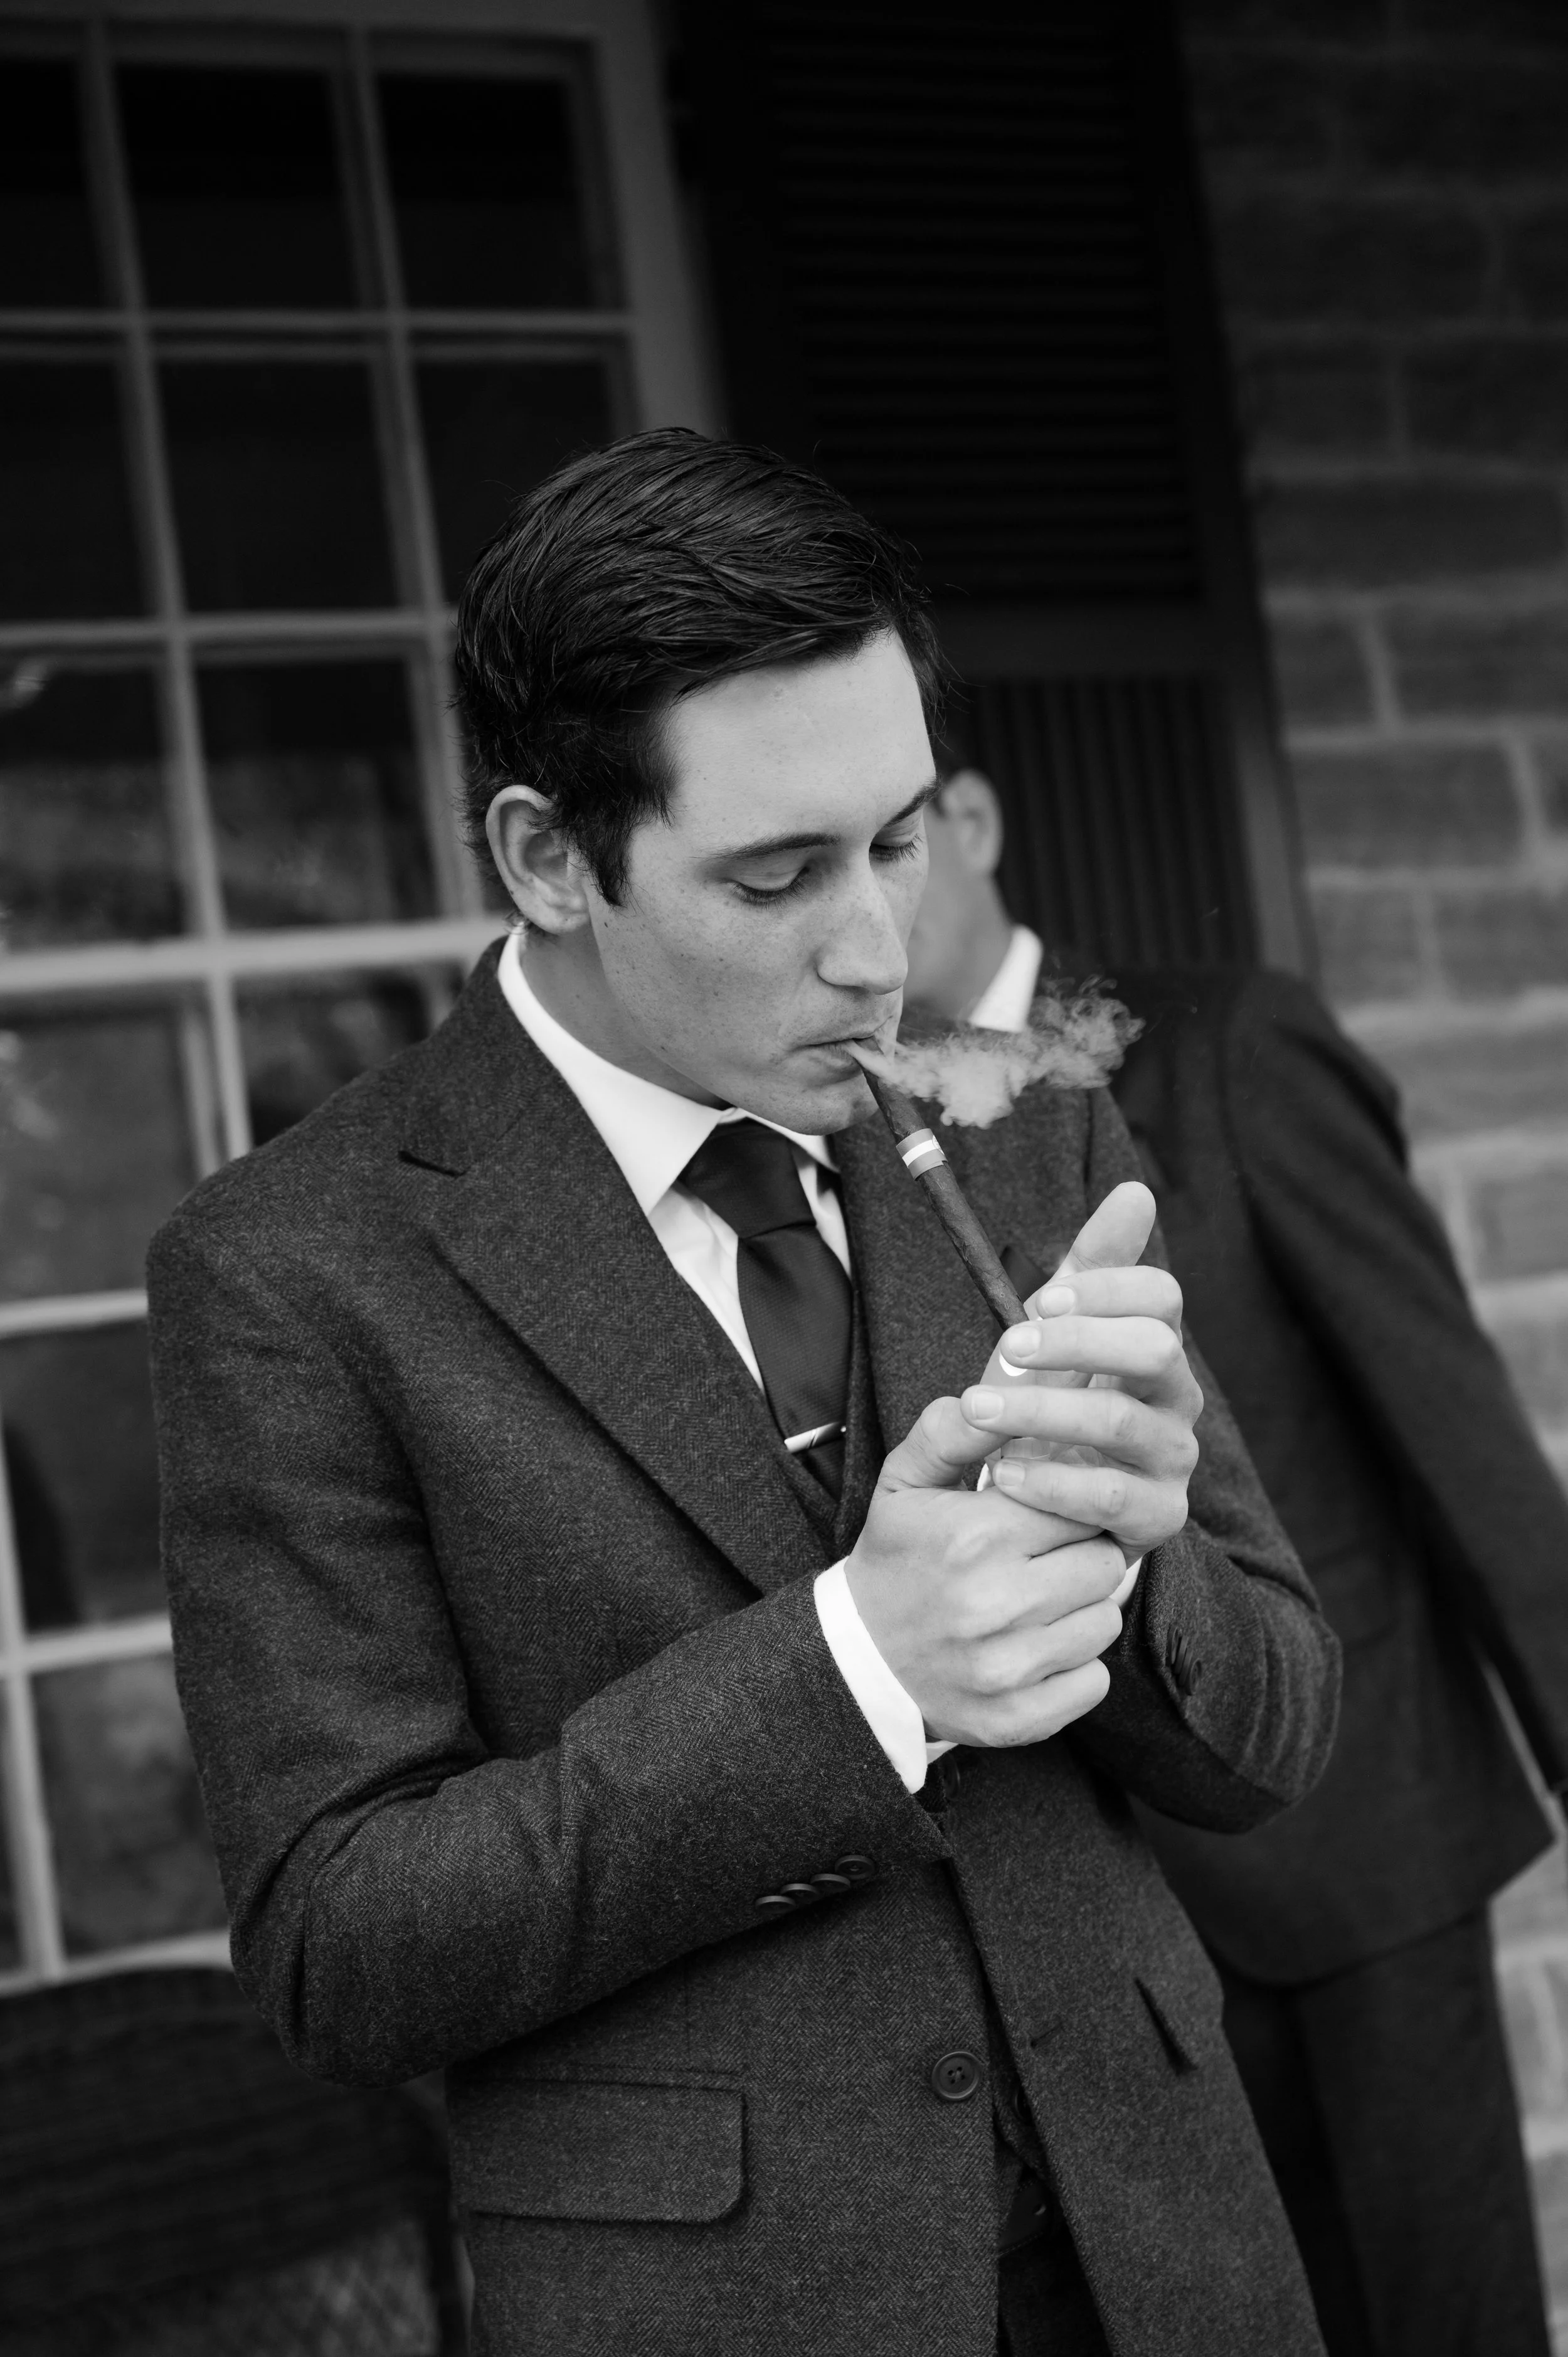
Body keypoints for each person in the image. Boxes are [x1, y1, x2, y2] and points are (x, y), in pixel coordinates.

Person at [147, 434, 1340, 2357]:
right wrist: (856, 1666)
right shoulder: (288, 1269)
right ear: (548, 856)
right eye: (775, 876)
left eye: (895, 842)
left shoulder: (1030, 1118)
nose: (874, 954)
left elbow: (1272, 1728)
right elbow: (341, 1945)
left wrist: (1142, 1563)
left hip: (1175, 2255)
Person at [904, 765, 1568, 2357]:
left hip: (1361, 1845)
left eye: (892, 846)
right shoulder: (852, 1136)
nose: (856, 907)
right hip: (1115, 1923)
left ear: (981, 822)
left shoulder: (1226, 1042)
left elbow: (1452, 1430)